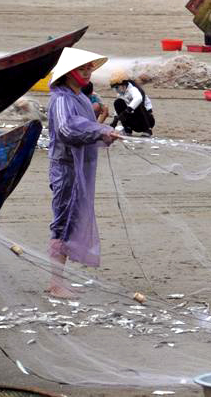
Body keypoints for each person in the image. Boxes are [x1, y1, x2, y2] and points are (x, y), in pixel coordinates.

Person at [46, 47, 120, 297]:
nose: (87, 72)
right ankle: (56, 283)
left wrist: (104, 134)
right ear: (68, 73)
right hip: (65, 168)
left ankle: (59, 279)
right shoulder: (61, 98)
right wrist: (99, 131)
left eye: (89, 67)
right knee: (63, 221)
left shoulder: (79, 97)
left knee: (71, 218)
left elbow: (87, 130)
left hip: (78, 167)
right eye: (81, 68)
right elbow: (68, 130)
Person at [109, 69, 155, 137]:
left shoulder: (133, 89)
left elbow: (138, 99)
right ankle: (127, 129)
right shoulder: (121, 94)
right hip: (134, 122)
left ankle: (147, 130)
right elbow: (118, 110)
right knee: (118, 102)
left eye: (117, 87)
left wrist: (127, 111)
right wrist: (115, 120)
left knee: (137, 104)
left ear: (123, 84)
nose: (116, 90)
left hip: (147, 120)